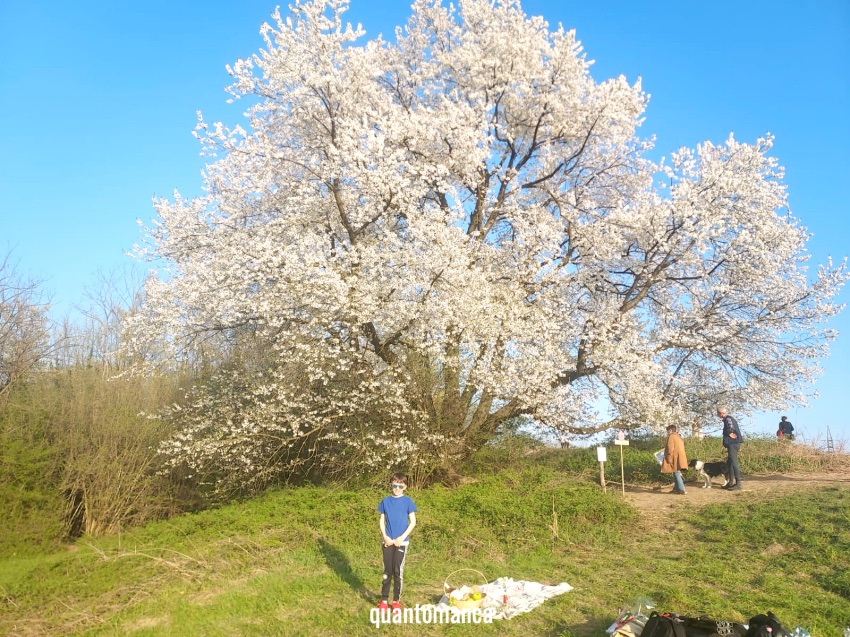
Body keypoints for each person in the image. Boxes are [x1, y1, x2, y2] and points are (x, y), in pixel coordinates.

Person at [376, 473, 417, 612]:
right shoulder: (385, 501)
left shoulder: (408, 502)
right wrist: (385, 537)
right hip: (387, 541)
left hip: (402, 542)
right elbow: (382, 520)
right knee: (387, 571)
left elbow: (413, 522)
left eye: (400, 486)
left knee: (397, 571)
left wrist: (402, 537)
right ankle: (383, 600)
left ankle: (396, 601)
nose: (397, 488)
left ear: (405, 487)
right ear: (390, 485)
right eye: (395, 485)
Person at [716, 406, 743, 490]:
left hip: (733, 444)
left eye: (718, 413)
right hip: (732, 443)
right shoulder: (728, 419)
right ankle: (731, 482)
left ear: (721, 413)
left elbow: (730, 427)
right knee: (730, 464)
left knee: (734, 463)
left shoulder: (728, 418)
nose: (717, 415)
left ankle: (738, 483)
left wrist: (730, 432)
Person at [661, 425, 689, 495]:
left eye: (667, 430)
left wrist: (669, 459)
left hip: (674, 457)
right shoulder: (678, 436)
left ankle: (682, 489)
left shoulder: (671, 436)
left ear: (670, 430)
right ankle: (676, 489)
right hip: (680, 457)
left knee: (676, 472)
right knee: (675, 471)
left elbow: (670, 448)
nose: (667, 432)